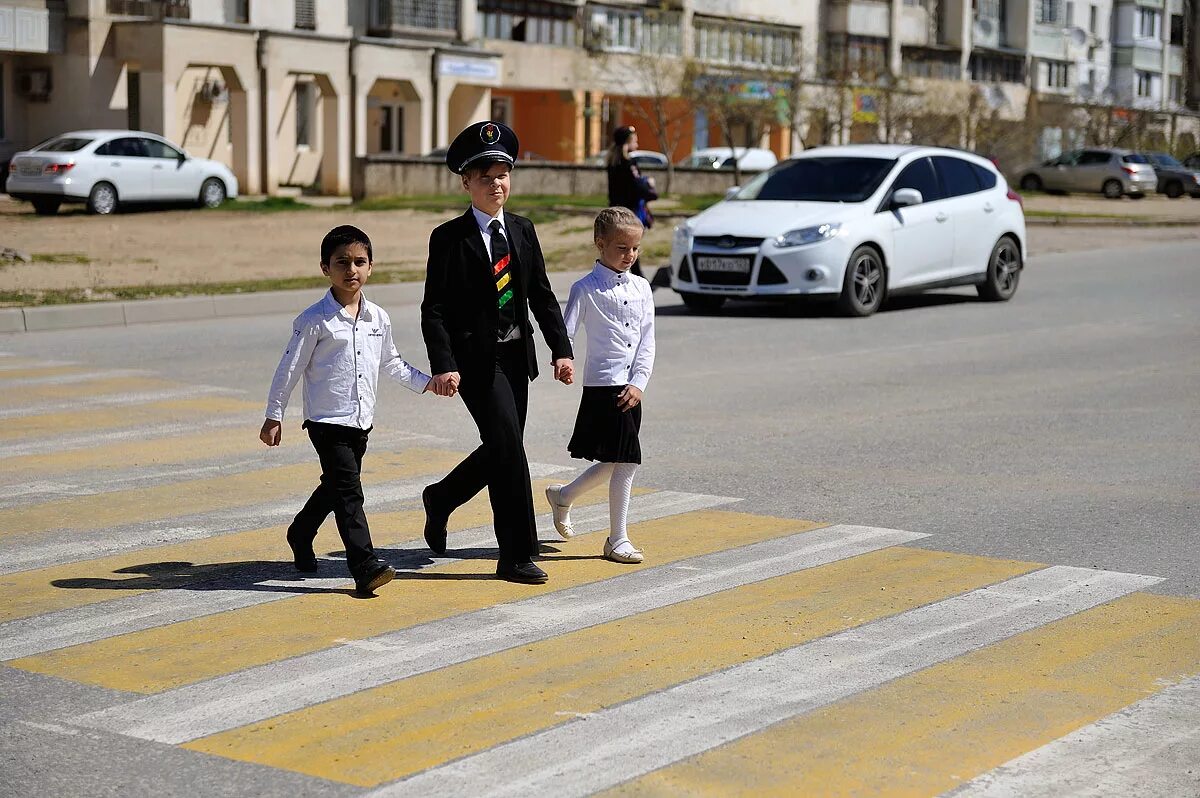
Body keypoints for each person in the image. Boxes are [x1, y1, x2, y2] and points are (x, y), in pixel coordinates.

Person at [420, 120, 575, 585]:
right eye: (485, 177)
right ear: (466, 183)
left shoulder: (523, 232)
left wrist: (561, 350)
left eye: (503, 174)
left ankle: (442, 497)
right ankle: (516, 554)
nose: (496, 184)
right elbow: (434, 310)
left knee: (503, 449)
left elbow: (543, 297)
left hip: (516, 357)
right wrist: (444, 364)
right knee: (510, 452)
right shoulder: (448, 238)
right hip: (476, 365)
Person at [259, 224, 435, 596]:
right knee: (350, 493)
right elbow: (288, 368)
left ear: (371, 267)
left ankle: (301, 531)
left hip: (360, 421)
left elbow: (393, 364)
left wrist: (427, 382)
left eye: (359, 261)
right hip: (326, 421)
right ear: (325, 268)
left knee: (336, 487)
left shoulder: (378, 318)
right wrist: (274, 414)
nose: (350, 269)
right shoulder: (314, 320)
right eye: (342, 262)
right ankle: (364, 566)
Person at [545, 206, 656, 564]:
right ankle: (617, 539)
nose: (630, 255)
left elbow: (647, 342)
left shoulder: (642, 287)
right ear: (600, 244)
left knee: (616, 459)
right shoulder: (585, 289)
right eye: (622, 248)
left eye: (635, 248)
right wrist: (564, 359)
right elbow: (566, 331)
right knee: (626, 461)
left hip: (631, 388)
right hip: (603, 386)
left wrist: (640, 382)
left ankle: (563, 496)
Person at [605, 125, 658, 278]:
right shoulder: (628, 164)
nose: (637, 143)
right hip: (630, 212)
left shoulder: (613, 163)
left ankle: (627, 276)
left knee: (621, 247)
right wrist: (649, 184)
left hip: (616, 212)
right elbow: (637, 188)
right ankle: (639, 279)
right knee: (631, 247)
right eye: (635, 140)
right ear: (627, 142)